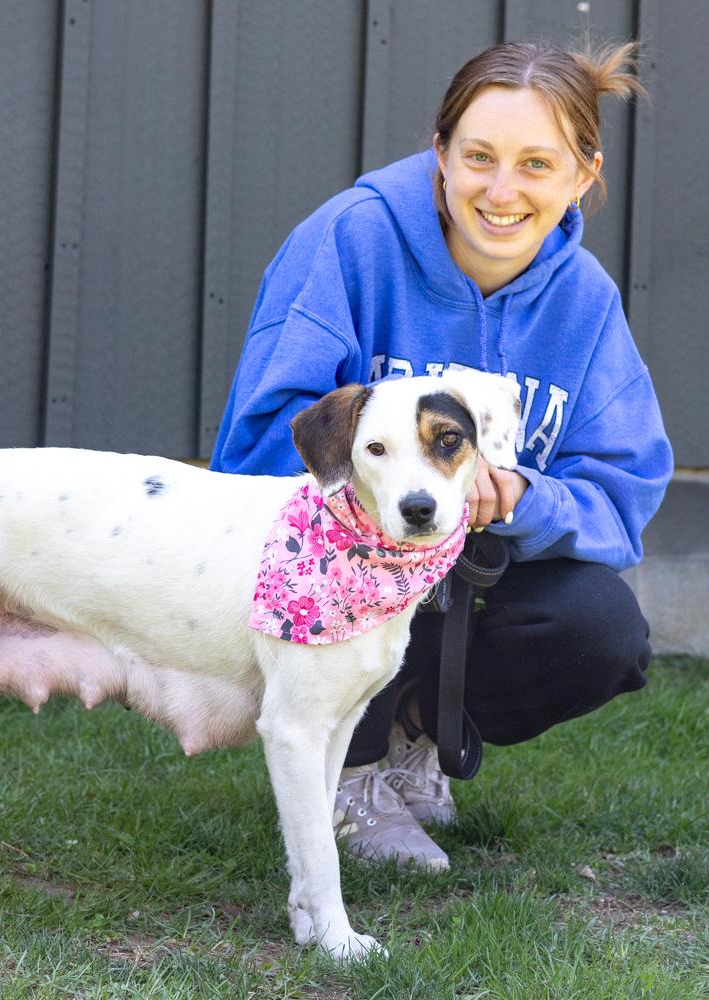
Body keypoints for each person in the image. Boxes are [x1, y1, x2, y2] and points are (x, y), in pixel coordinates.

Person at [210, 40, 673, 871]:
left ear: (583, 177)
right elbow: (260, 437)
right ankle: (348, 775)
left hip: (475, 572)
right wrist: (386, 491)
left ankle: (413, 736)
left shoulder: (586, 302)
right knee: (377, 564)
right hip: (338, 565)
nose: (502, 191)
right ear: (440, 153)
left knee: (600, 627)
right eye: (479, 158)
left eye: (537, 164)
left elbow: (625, 488)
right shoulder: (352, 239)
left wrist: (523, 496)